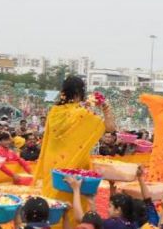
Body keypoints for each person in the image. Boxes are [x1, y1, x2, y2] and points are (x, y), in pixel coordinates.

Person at [34, 75, 116, 225]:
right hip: (75, 166)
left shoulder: (54, 112)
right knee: (72, 204)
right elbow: (110, 128)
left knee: (52, 201)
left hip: (52, 166)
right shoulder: (82, 114)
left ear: (63, 91)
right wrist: (106, 109)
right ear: (79, 93)